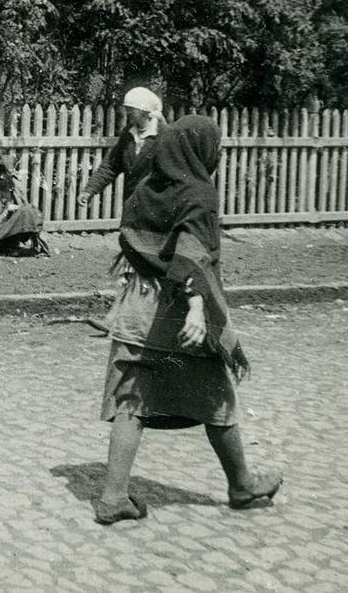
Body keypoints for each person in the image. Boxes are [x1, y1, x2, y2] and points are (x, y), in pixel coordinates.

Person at [95, 115, 282, 525]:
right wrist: (198, 306)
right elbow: (191, 253)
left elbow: (132, 239)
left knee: (132, 402)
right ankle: (242, 486)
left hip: (137, 307)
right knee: (217, 397)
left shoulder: (146, 188)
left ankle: (112, 498)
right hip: (177, 315)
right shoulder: (199, 193)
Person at [78, 85, 165, 208]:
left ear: (145, 110)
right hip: (132, 203)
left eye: (132, 109)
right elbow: (111, 165)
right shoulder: (129, 134)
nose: (128, 113)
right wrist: (89, 190)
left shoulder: (163, 135)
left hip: (157, 205)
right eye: (127, 109)